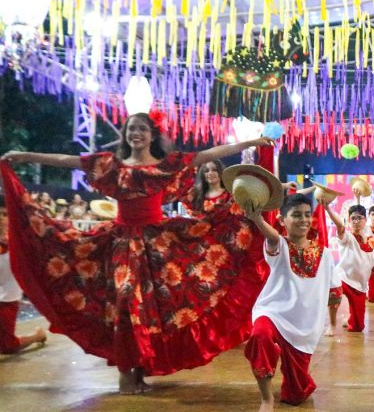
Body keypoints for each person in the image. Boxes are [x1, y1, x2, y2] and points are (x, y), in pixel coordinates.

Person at [0, 111, 274, 394]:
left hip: (158, 246)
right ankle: (125, 373)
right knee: (126, 303)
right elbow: (66, 160)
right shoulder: (110, 165)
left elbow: (208, 154)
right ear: (125, 134)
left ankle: (140, 369)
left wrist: (250, 143)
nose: (136, 133)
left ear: (152, 135)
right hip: (120, 244)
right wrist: (24, 156)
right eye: (131, 128)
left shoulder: (166, 165)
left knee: (152, 309)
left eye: (142, 128)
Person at [244, 193, 335, 411]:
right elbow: (273, 238)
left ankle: (295, 386)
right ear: (282, 220)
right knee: (260, 336)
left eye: (307, 214)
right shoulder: (279, 245)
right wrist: (258, 219)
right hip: (273, 313)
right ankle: (267, 399)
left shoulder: (325, 254)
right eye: (296, 215)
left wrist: (330, 322)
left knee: (297, 395)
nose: (304, 220)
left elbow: (334, 290)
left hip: (304, 326)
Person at [0, 196, 47, 354]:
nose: (1, 218)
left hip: (7, 297)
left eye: (5, 214)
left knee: (7, 346)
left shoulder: (18, 240)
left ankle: (38, 335)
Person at [327, 204, 374, 333]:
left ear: (365, 220)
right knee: (334, 292)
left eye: (359, 218)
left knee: (358, 328)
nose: (356, 221)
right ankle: (332, 325)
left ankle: (350, 320)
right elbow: (340, 225)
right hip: (343, 278)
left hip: (359, 285)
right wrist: (327, 208)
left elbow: (371, 256)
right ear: (349, 221)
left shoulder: (372, 240)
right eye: (353, 218)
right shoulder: (347, 237)